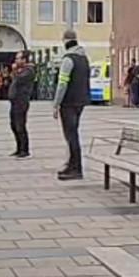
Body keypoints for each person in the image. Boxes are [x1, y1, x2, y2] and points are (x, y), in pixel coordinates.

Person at [52, 29, 91, 181]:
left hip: (68, 102)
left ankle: (75, 168)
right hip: (81, 101)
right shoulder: (84, 58)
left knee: (71, 135)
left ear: (65, 41)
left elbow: (62, 83)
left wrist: (56, 104)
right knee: (73, 132)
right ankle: (72, 164)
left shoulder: (68, 59)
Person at [8, 51, 35, 157]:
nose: (16, 61)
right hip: (14, 101)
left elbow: (19, 79)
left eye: (18, 58)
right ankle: (19, 148)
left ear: (24, 60)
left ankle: (24, 150)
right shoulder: (21, 70)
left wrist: (15, 70)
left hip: (21, 101)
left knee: (20, 125)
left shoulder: (29, 70)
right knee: (13, 125)